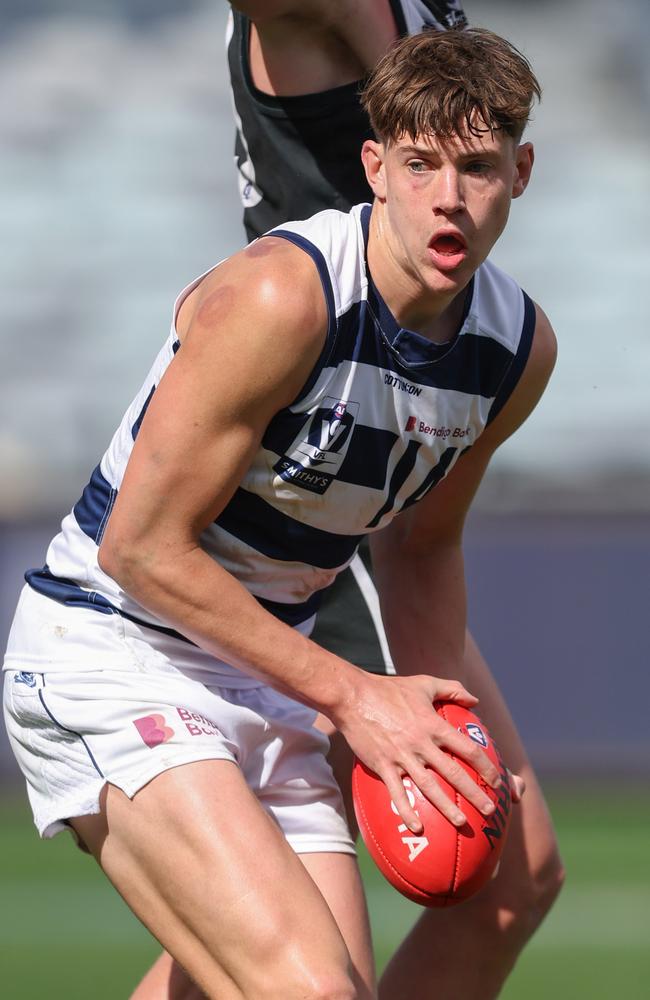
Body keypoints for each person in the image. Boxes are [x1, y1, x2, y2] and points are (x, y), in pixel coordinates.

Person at [3, 27, 557, 1000]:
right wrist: (354, 697)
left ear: (519, 172)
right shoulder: (283, 296)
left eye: (475, 168)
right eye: (419, 163)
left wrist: (432, 725)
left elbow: (422, 549)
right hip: (115, 650)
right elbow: (138, 549)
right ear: (372, 166)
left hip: (268, 680)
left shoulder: (512, 349)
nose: (447, 197)